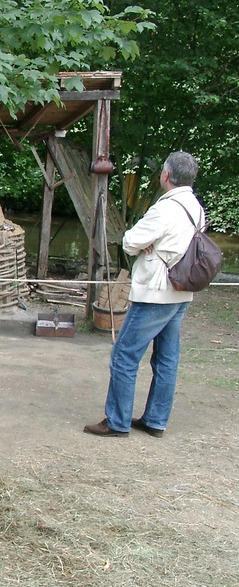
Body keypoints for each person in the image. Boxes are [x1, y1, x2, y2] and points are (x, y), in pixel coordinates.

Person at [84, 151, 203, 438]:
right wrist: (149, 243)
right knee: (166, 359)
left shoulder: (166, 208)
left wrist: (144, 244)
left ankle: (117, 421)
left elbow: (130, 241)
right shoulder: (196, 207)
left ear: (166, 175)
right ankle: (155, 420)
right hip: (180, 291)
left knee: (124, 355)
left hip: (156, 293)